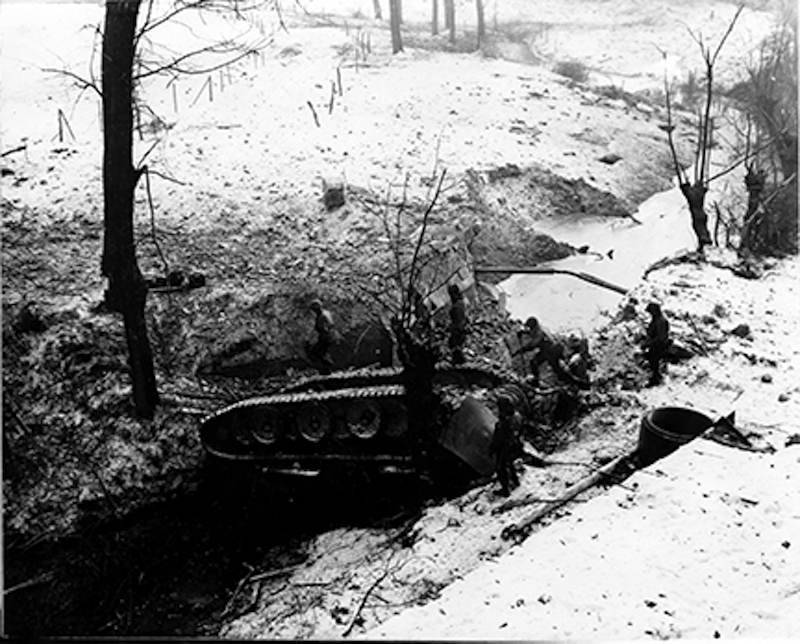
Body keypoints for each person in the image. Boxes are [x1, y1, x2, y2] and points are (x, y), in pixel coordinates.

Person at [514, 317, 584, 388]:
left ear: (535, 327)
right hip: (547, 351)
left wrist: (522, 350)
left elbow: (533, 344)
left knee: (558, 370)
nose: (530, 331)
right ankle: (536, 381)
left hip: (552, 352)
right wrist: (522, 333)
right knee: (534, 363)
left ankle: (575, 382)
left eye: (530, 329)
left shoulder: (539, 333)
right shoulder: (538, 330)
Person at [489, 395, 522, 497]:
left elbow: (499, 437)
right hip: (513, 444)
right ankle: (515, 482)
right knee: (510, 463)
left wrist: (492, 448)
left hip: (505, 446)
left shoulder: (504, 421)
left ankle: (505, 490)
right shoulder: (516, 416)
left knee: (501, 467)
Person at [642, 302, 670, 386]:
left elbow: (660, 338)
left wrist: (648, 343)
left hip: (659, 345)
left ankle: (655, 379)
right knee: (651, 359)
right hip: (655, 344)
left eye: (651, 312)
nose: (650, 314)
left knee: (654, 360)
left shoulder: (661, 321)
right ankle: (655, 376)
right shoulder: (656, 319)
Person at [308, 300, 336, 374]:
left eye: (314, 310)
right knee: (321, 352)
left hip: (325, 337)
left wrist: (323, 336)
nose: (313, 312)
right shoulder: (326, 313)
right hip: (328, 336)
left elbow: (324, 328)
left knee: (316, 353)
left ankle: (327, 368)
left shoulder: (322, 316)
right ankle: (326, 369)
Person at [447, 284, 468, 365]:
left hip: (458, 328)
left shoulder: (457, 306)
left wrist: (455, 328)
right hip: (460, 327)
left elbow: (458, 319)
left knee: (455, 345)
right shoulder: (461, 303)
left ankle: (458, 360)